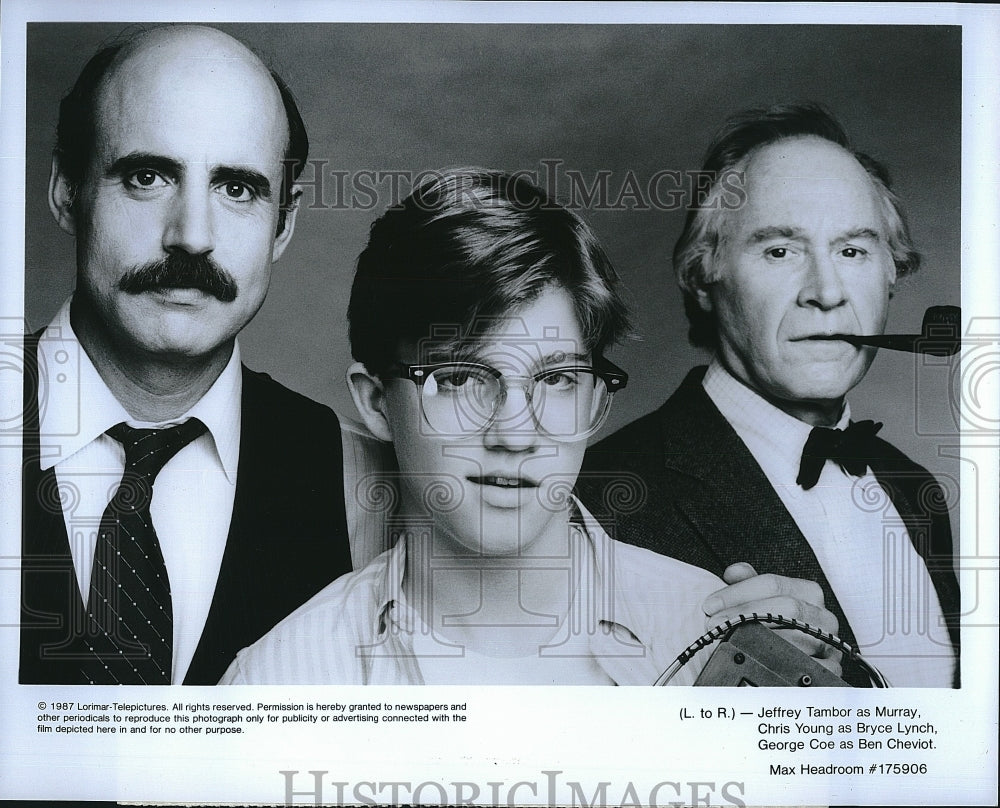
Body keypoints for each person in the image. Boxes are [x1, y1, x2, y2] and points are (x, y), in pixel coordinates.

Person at [220, 169, 724, 685]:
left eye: (557, 379)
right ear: (377, 403)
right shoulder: (279, 680)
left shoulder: (714, 638)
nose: (514, 433)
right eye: (460, 379)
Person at [579, 102, 959, 687]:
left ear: (892, 271)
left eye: (852, 250)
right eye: (780, 250)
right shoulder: (598, 502)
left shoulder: (914, 489)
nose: (827, 292)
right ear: (705, 274)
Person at [20, 25, 353, 685]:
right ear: (67, 190)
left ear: (283, 225)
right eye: (147, 176)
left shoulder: (340, 465)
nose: (192, 237)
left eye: (237, 189)